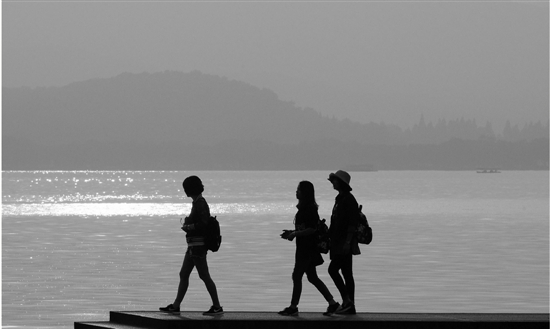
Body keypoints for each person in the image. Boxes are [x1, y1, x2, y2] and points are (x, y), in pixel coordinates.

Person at [160, 175, 224, 316]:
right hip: (192, 246)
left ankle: (217, 307)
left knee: (204, 275)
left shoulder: (200, 203)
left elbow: (203, 224)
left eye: (186, 188)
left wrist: (189, 227)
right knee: (184, 274)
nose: (184, 191)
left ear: (191, 188)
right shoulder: (196, 202)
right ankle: (176, 305)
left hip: (198, 246)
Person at [279, 181, 340, 316]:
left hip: (307, 249)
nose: (296, 192)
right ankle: (333, 303)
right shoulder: (303, 208)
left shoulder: (310, 209)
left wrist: (295, 234)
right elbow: (304, 228)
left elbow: (312, 229)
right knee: (312, 277)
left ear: (305, 192)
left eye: (299, 190)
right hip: (303, 248)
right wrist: (291, 232)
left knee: (297, 276)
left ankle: (293, 306)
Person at [327, 170, 360, 315]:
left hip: (344, 242)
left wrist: (347, 242)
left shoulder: (349, 199)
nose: (332, 183)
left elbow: (352, 223)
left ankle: (347, 301)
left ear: (340, 182)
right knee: (347, 273)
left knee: (333, 270)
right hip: (337, 242)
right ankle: (350, 305)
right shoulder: (339, 198)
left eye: (334, 180)